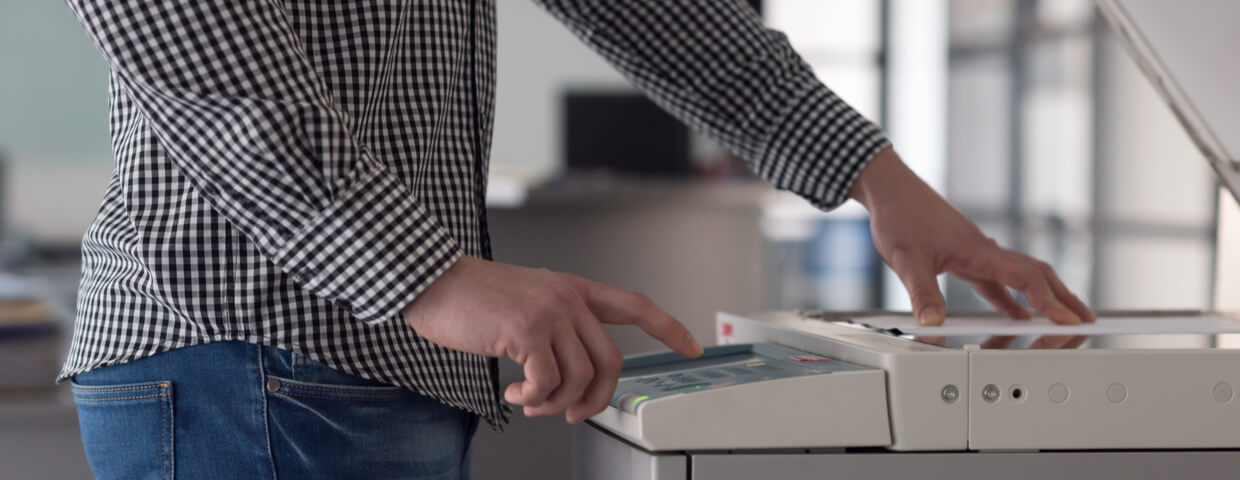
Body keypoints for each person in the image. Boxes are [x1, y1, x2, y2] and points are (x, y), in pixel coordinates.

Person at [59, 1, 1095, 479]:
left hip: (357, 369)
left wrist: (877, 175)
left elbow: (658, 14)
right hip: (253, 350)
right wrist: (421, 272)